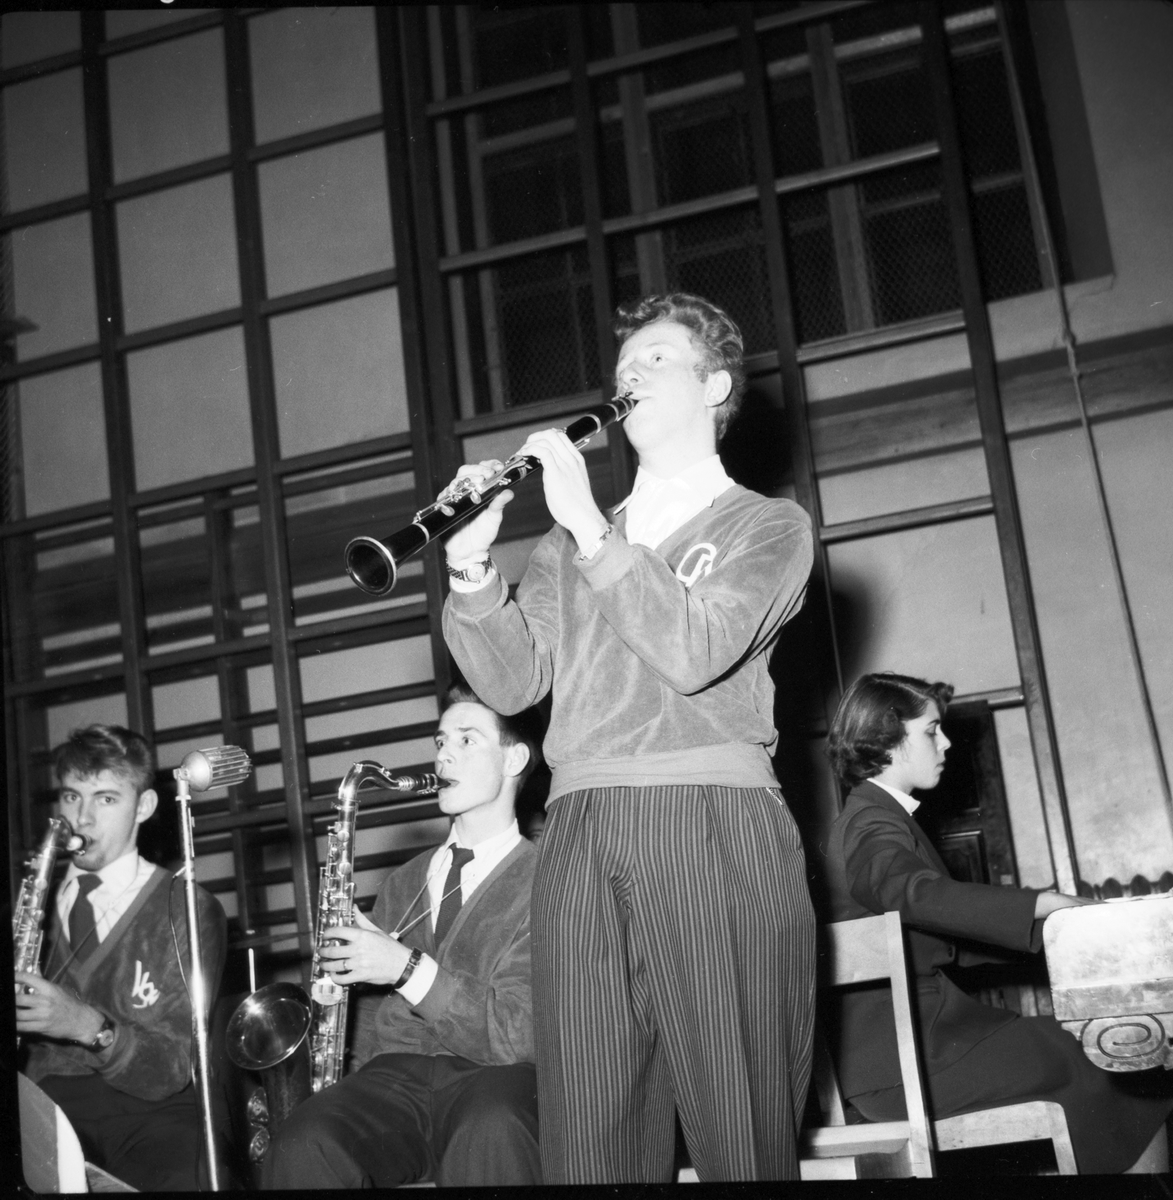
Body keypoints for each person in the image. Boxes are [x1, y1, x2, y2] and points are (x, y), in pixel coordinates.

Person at [442, 292, 816, 1183]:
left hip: (708, 817)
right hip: (577, 828)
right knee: (590, 1131)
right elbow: (512, 684)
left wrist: (587, 526)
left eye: (655, 359)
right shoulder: (564, 546)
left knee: (738, 1122)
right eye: (623, 365)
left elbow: (693, 651)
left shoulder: (766, 525)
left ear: (714, 387)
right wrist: (469, 563)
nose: (629, 374)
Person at [823, 671, 1173, 1174]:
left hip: (911, 1056)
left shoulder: (878, 817)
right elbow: (915, 895)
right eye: (931, 731)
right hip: (909, 1066)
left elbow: (942, 937)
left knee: (1112, 1056)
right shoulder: (871, 823)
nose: (946, 743)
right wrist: (1040, 903)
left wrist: (1063, 929)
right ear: (888, 737)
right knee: (1118, 1058)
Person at [263, 683, 542, 1189]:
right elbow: (369, 1019)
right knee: (303, 1141)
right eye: (440, 741)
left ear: (514, 759)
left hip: (495, 1078)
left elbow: (517, 1034)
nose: (444, 756)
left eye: (466, 739)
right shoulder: (402, 881)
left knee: (491, 1128)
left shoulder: (547, 878)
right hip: (395, 1080)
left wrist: (405, 968)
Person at [15, 723, 227, 1192]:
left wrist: (84, 1025)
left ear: (144, 807)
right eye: (72, 797)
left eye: (106, 799)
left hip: (153, 1118)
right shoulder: (29, 900)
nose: (82, 819)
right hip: (44, 1109)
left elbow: (172, 1068)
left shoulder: (188, 908)